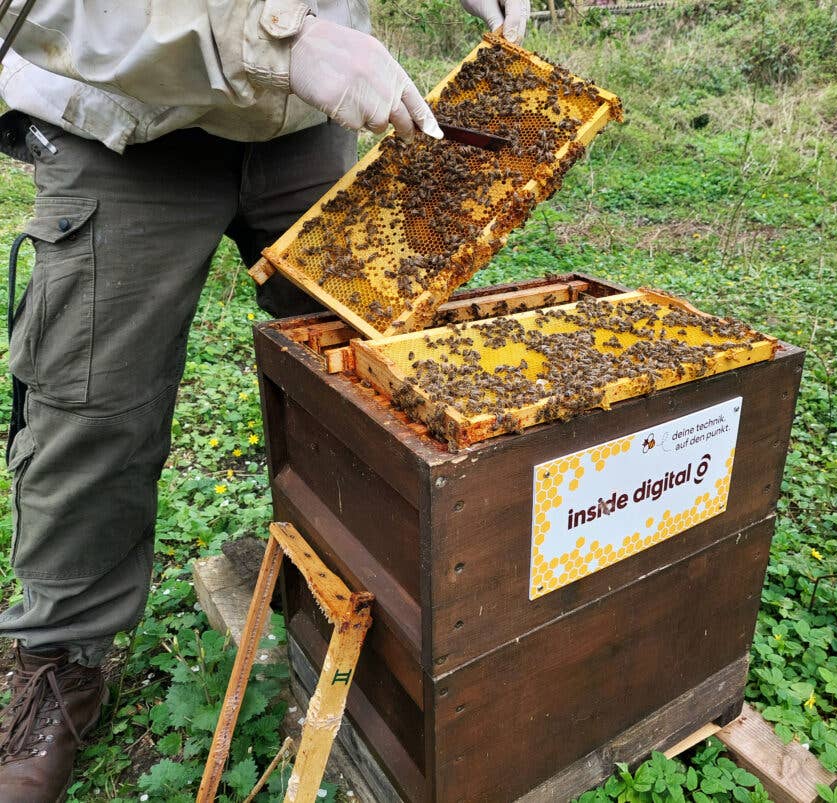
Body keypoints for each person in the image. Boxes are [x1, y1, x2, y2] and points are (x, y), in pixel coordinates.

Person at [0, 1, 530, 799]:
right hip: (129, 126)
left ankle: (385, 598)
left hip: (302, 129)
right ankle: (61, 663)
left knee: (378, 368)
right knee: (92, 404)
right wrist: (280, 42)